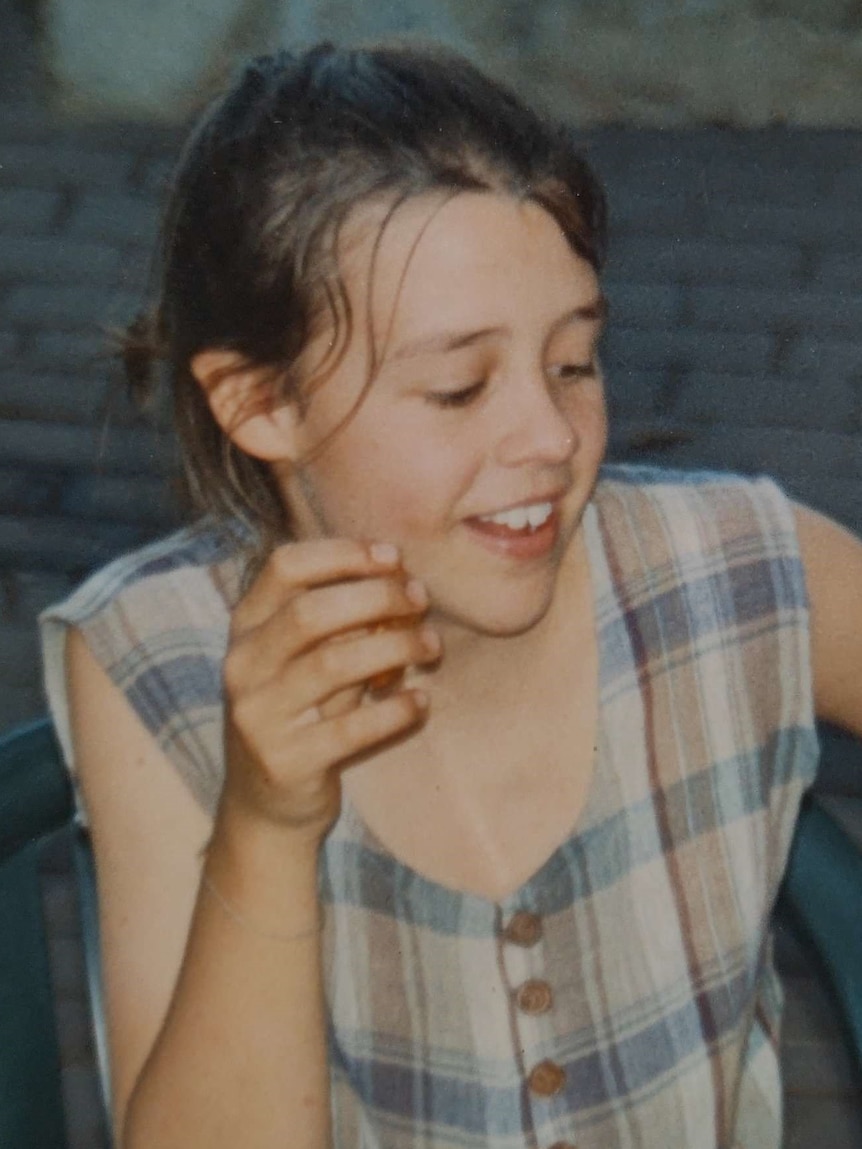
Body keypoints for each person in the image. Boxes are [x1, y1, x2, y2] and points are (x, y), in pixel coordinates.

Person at [40, 43, 862, 1149]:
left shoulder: (737, 573)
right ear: (259, 403)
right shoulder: (156, 658)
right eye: (457, 386)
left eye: (574, 362)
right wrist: (267, 829)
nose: (549, 438)